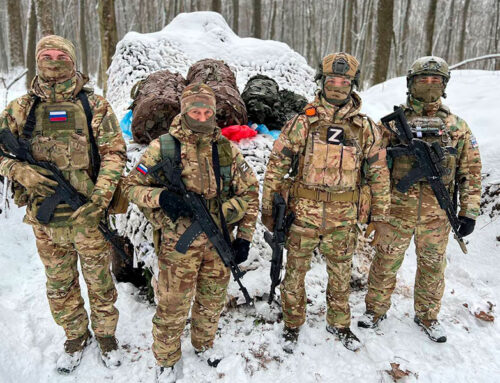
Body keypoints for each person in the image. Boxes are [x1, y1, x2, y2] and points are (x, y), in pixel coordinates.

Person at [0, 35, 126, 373]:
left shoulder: (94, 106)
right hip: (46, 222)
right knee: (59, 284)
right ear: (38, 60)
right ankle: (74, 337)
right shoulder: (20, 108)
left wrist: (100, 198)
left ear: (72, 60)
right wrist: (17, 169)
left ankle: (106, 336)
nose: (54, 61)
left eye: (60, 55)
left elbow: (115, 153)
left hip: (88, 216)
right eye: (46, 54)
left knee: (100, 283)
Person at [123, 83, 259, 382]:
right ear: (184, 112)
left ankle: (203, 344)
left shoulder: (226, 149)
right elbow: (131, 187)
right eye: (194, 111)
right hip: (178, 244)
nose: (201, 117)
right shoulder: (164, 147)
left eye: (206, 111)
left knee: (212, 300)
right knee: (173, 304)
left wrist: (245, 237)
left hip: (219, 238)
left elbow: (250, 192)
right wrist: (161, 198)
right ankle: (166, 357)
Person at [261, 52, 390, 352]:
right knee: (293, 274)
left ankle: (339, 323)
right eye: (332, 79)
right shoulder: (303, 122)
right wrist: (268, 207)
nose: (337, 85)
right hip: (302, 215)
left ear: (352, 85)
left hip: (343, 219)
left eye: (344, 81)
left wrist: (380, 217)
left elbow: (379, 175)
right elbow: (277, 165)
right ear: (322, 81)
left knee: (341, 275)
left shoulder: (365, 128)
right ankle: (292, 324)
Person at [358, 56, 482, 343]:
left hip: (437, 215)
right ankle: (375, 310)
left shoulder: (456, 126)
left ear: (445, 85)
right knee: (385, 261)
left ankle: (427, 316)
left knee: (433, 265)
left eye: (435, 80)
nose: (429, 85)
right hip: (395, 210)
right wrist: (371, 207)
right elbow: (372, 168)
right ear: (411, 84)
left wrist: (469, 212)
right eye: (423, 80)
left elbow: (471, 171)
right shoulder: (391, 125)